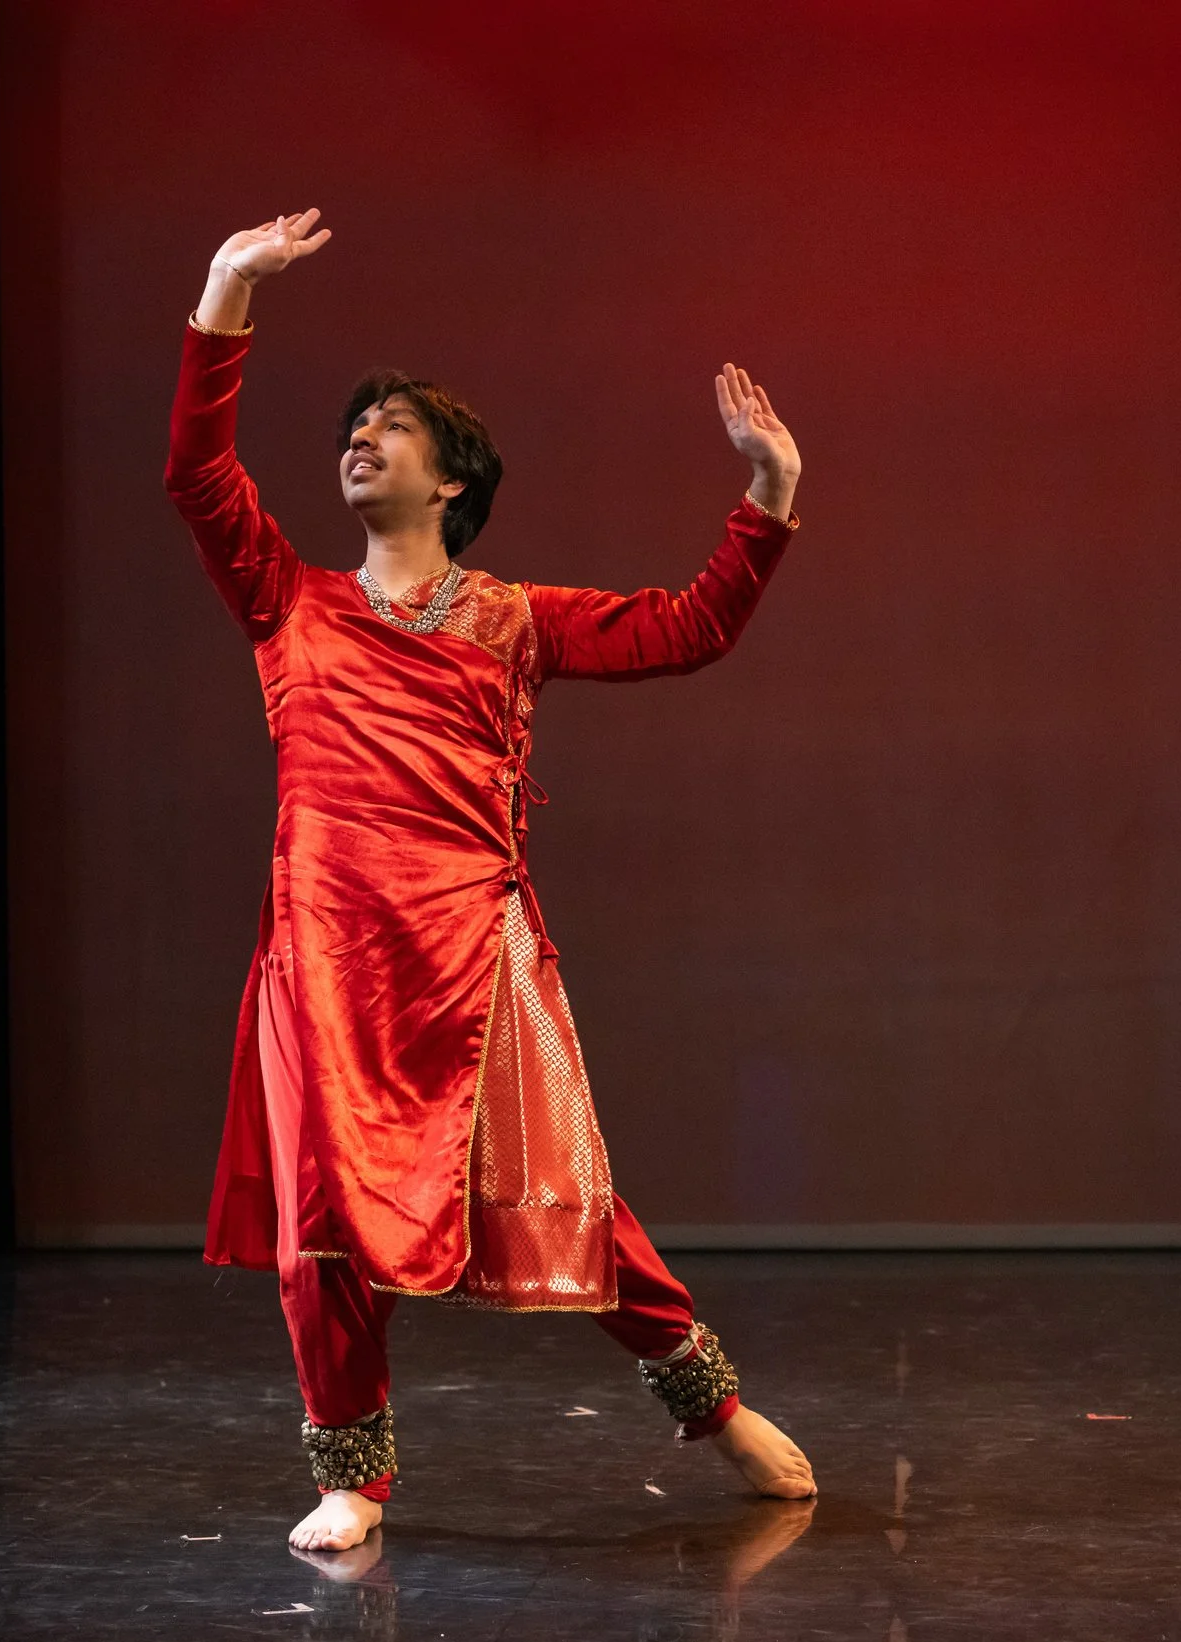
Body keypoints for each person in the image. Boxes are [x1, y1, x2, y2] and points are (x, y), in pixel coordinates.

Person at [165, 209, 817, 1553]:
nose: (359, 438)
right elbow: (195, 472)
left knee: (567, 1197)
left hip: (473, 959)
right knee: (317, 1235)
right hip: (326, 967)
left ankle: (715, 1405)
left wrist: (771, 490)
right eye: (353, 425)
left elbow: (689, 626)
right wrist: (230, 287)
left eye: (390, 427)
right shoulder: (290, 600)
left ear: (452, 478)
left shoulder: (513, 619)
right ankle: (356, 1476)